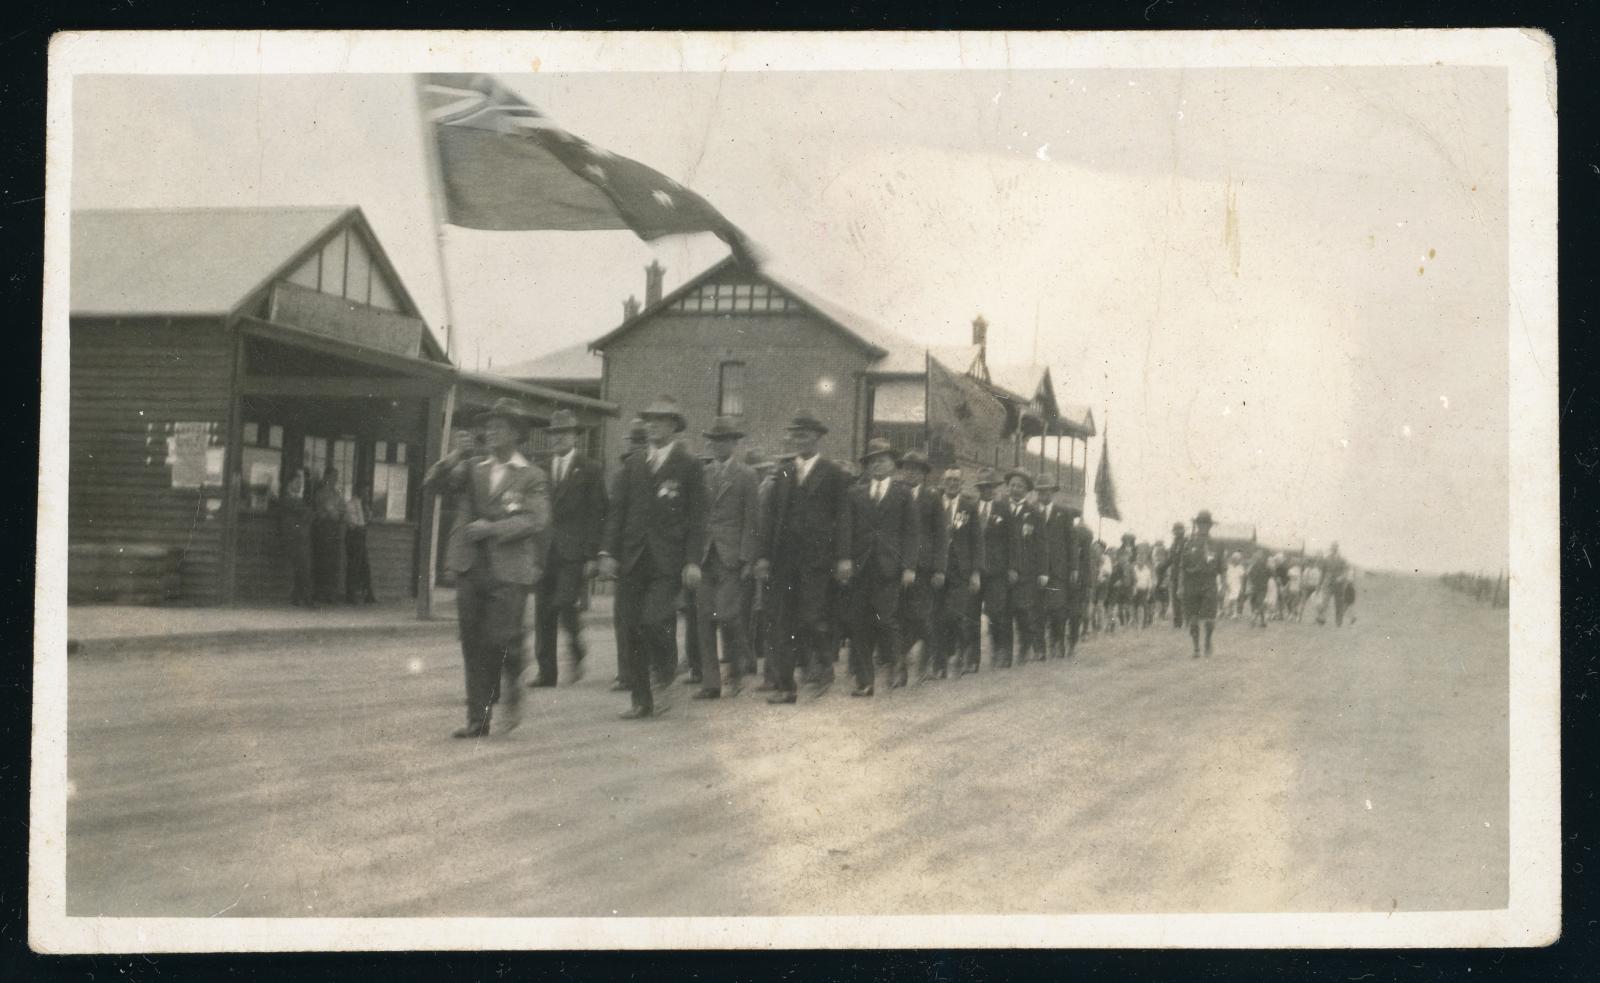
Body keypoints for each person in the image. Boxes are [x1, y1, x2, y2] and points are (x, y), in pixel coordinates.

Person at [425, 399, 550, 738]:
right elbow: (432, 486)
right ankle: (477, 719)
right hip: (470, 565)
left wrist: (492, 528)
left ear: (516, 434)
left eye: (499, 427)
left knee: (500, 639)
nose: (490, 432)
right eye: (489, 427)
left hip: (509, 570)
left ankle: (512, 688)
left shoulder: (532, 476)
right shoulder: (473, 468)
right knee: (472, 642)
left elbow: (535, 519)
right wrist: (454, 456)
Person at [599, 397, 707, 720]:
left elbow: (698, 518)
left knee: (656, 620)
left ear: (674, 426)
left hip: (668, 561)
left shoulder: (689, 466)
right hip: (632, 558)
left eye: (661, 421)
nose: (653, 426)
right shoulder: (632, 465)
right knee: (630, 627)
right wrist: (608, 553)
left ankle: (664, 674)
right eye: (649, 420)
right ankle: (641, 699)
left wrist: (692, 561)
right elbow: (617, 514)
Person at [755, 411, 852, 704]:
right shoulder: (782, 473)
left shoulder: (833, 473)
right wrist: (763, 556)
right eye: (796, 435)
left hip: (818, 561)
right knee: (782, 622)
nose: (801, 439)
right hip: (784, 561)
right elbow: (769, 518)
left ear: (818, 438)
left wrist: (844, 557)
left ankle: (821, 667)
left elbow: (843, 517)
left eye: (806, 434)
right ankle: (786, 687)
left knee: (811, 618)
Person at [528, 410, 606, 687]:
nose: (558, 438)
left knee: (563, 602)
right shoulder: (540, 469)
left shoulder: (590, 469)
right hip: (544, 550)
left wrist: (592, 555)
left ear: (575, 437)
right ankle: (546, 672)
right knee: (542, 611)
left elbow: (598, 514)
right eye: (554, 434)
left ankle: (576, 648)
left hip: (573, 552)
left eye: (564, 433)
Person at [843, 439, 919, 695]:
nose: (877, 464)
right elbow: (846, 531)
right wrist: (844, 560)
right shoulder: (855, 493)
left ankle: (897, 666)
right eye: (872, 461)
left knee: (887, 620)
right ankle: (865, 682)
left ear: (892, 464)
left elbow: (911, 533)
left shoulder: (903, 493)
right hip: (861, 567)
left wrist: (909, 566)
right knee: (859, 623)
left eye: (882, 459)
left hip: (890, 568)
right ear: (866, 466)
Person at [693, 417, 761, 699]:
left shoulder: (746, 475)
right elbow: (695, 517)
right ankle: (711, 683)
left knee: (728, 615)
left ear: (734, 444)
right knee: (704, 618)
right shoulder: (702, 474)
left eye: (725, 441)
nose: (719, 446)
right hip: (704, 555)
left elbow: (751, 520)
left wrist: (747, 558)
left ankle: (736, 668)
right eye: (715, 441)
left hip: (731, 556)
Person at [606, 418, 649, 693]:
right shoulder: (623, 474)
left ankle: (644, 670)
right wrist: (609, 552)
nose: (636, 448)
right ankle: (626, 673)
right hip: (627, 555)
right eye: (633, 443)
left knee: (646, 618)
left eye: (640, 443)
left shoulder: (656, 471)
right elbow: (614, 515)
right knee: (623, 616)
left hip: (650, 554)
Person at [897, 450, 947, 682]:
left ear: (924, 474)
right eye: (907, 468)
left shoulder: (932, 498)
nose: (911, 473)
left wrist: (939, 568)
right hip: (896, 567)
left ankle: (926, 661)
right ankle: (900, 665)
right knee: (897, 615)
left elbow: (940, 536)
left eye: (916, 469)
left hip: (924, 568)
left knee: (921, 615)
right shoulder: (895, 494)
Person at [933, 467, 981, 677]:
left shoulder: (969, 507)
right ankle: (939, 665)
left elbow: (977, 541)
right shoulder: (934, 503)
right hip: (937, 568)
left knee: (955, 615)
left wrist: (976, 573)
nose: (952, 484)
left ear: (962, 484)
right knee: (936, 617)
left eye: (956, 481)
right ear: (943, 481)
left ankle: (960, 653)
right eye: (949, 479)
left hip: (961, 569)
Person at [970, 467, 1015, 669]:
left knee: (997, 612)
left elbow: (1013, 542)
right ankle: (972, 659)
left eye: (990, 487)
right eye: (983, 487)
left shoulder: (1004, 510)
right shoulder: (969, 508)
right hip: (973, 571)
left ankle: (1001, 651)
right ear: (979, 489)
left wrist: (1013, 567)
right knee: (970, 614)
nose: (987, 491)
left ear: (995, 489)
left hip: (997, 571)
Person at [1002, 470, 1044, 662]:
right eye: (1012, 485)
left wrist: (1042, 572)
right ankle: (1006, 655)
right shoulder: (999, 508)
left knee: (1023, 611)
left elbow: (1042, 545)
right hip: (1003, 571)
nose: (1015, 489)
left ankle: (1025, 647)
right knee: (1004, 612)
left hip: (1027, 572)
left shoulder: (1033, 513)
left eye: (1020, 486)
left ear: (1026, 490)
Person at [1037, 476, 1075, 659]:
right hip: (1036, 571)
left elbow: (1071, 542)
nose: (1043, 494)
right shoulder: (1032, 511)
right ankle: (1040, 649)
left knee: (1058, 609)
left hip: (1058, 570)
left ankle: (1057, 642)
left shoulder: (1063, 513)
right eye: (1040, 491)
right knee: (1038, 610)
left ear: (1052, 492)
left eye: (1046, 491)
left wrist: (1073, 568)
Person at [1179, 510, 1226, 658]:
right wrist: (1180, 586)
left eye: (1206, 524)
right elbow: (1182, 567)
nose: (1203, 527)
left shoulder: (1216, 545)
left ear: (1210, 526)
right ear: (1197, 525)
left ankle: (1207, 640)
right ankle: (1196, 648)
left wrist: (1223, 586)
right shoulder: (1189, 543)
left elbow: (1222, 568)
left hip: (1209, 582)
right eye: (1201, 524)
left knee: (1210, 619)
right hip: (1191, 583)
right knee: (1193, 618)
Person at [276, 468, 314, 608]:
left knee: (303, 568)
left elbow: (308, 515)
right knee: (302, 567)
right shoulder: (287, 499)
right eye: (297, 482)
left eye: (301, 482)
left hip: (301, 538)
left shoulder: (298, 499)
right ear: (289, 483)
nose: (299, 485)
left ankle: (298, 597)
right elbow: (306, 513)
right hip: (293, 538)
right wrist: (306, 514)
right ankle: (305, 599)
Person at [312, 466, 346, 605]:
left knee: (334, 562)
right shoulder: (320, 493)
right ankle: (320, 593)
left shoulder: (337, 494)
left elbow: (342, 510)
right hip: (323, 530)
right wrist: (330, 511)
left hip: (335, 531)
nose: (334, 480)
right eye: (332, 477)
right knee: (322, 562)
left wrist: (336, 512)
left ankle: (331, 594)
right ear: (326, 478)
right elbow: (324, 511)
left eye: (336, 478)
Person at [343, 482, 377, 604]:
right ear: (359, 491)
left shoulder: (364, 505)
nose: (367, 494)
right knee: (354, 565)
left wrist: (368, 513)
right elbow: (353, 523)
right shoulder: (351, 504)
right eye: (365, 491)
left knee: (365, 565)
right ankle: (350, 595)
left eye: (368, 492)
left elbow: (367, 520)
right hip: (354, 536)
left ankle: (368, 594)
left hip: (361, 536)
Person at [1316, 541, 1351, 626]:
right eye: (1332, 548)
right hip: (1328, 583)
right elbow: (1322, 573)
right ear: (1331, 549)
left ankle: (1338, 622)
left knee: (1339, 603)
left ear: (1337, 548)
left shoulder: (1342, 559)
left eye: (1335, 548)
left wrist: (1341, 577)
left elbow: (1346, 571)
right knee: (1324, 602)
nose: (1333, 549)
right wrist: (1319, 585)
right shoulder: (1326, 559)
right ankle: (1321, 619)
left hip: (1339, 585)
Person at [1166, 522, 1187, 628]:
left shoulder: (1187, 542)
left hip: (1184, 573)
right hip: (1174, 574)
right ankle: (1177, 621)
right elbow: (1170, 559)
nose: (1177, 532)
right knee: (1174, 598)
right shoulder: (1173, 544)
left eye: (1180, 529)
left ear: (1183, 530)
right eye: (1176, 530)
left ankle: (1185, 621)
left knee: (1183, 598)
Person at [1247, 549, 1271, 628]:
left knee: (1257, 603)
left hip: (1257, 587)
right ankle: (1260, 620)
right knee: (1259, 603)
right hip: (1261, 587)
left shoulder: (1255, 565)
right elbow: (1271, 574)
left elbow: (1249, 576)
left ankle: (1259, 620)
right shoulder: (1264, 565)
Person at [1132, 544, 1154, 628]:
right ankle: (1136, 621)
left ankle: (1141, 623)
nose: (1140, 561)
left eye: (1142, 559)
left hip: (1144, 591)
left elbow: (1149, 583)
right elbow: (1132, 580)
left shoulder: (1147, 570)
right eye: (1138, 559)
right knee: (1134, 606)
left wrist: (1148, 593)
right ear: (1136, 560)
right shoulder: (1134, 569)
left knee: (1141, 606)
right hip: (1135, 590)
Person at [1225, 551, 1246, 619]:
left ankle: (1235, 613)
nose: (1237, 560)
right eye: (1235, 559)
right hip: (1229, 585)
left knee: (1235, 600)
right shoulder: (1228, 566)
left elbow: (1242, 578)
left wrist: (1242, 587)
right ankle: (1230, 612)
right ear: (1233, 559)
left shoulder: (1241, 567)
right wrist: (1226, 584)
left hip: (1237, 585)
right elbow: (1226, 576)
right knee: (1229, 600)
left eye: (1238, 559)